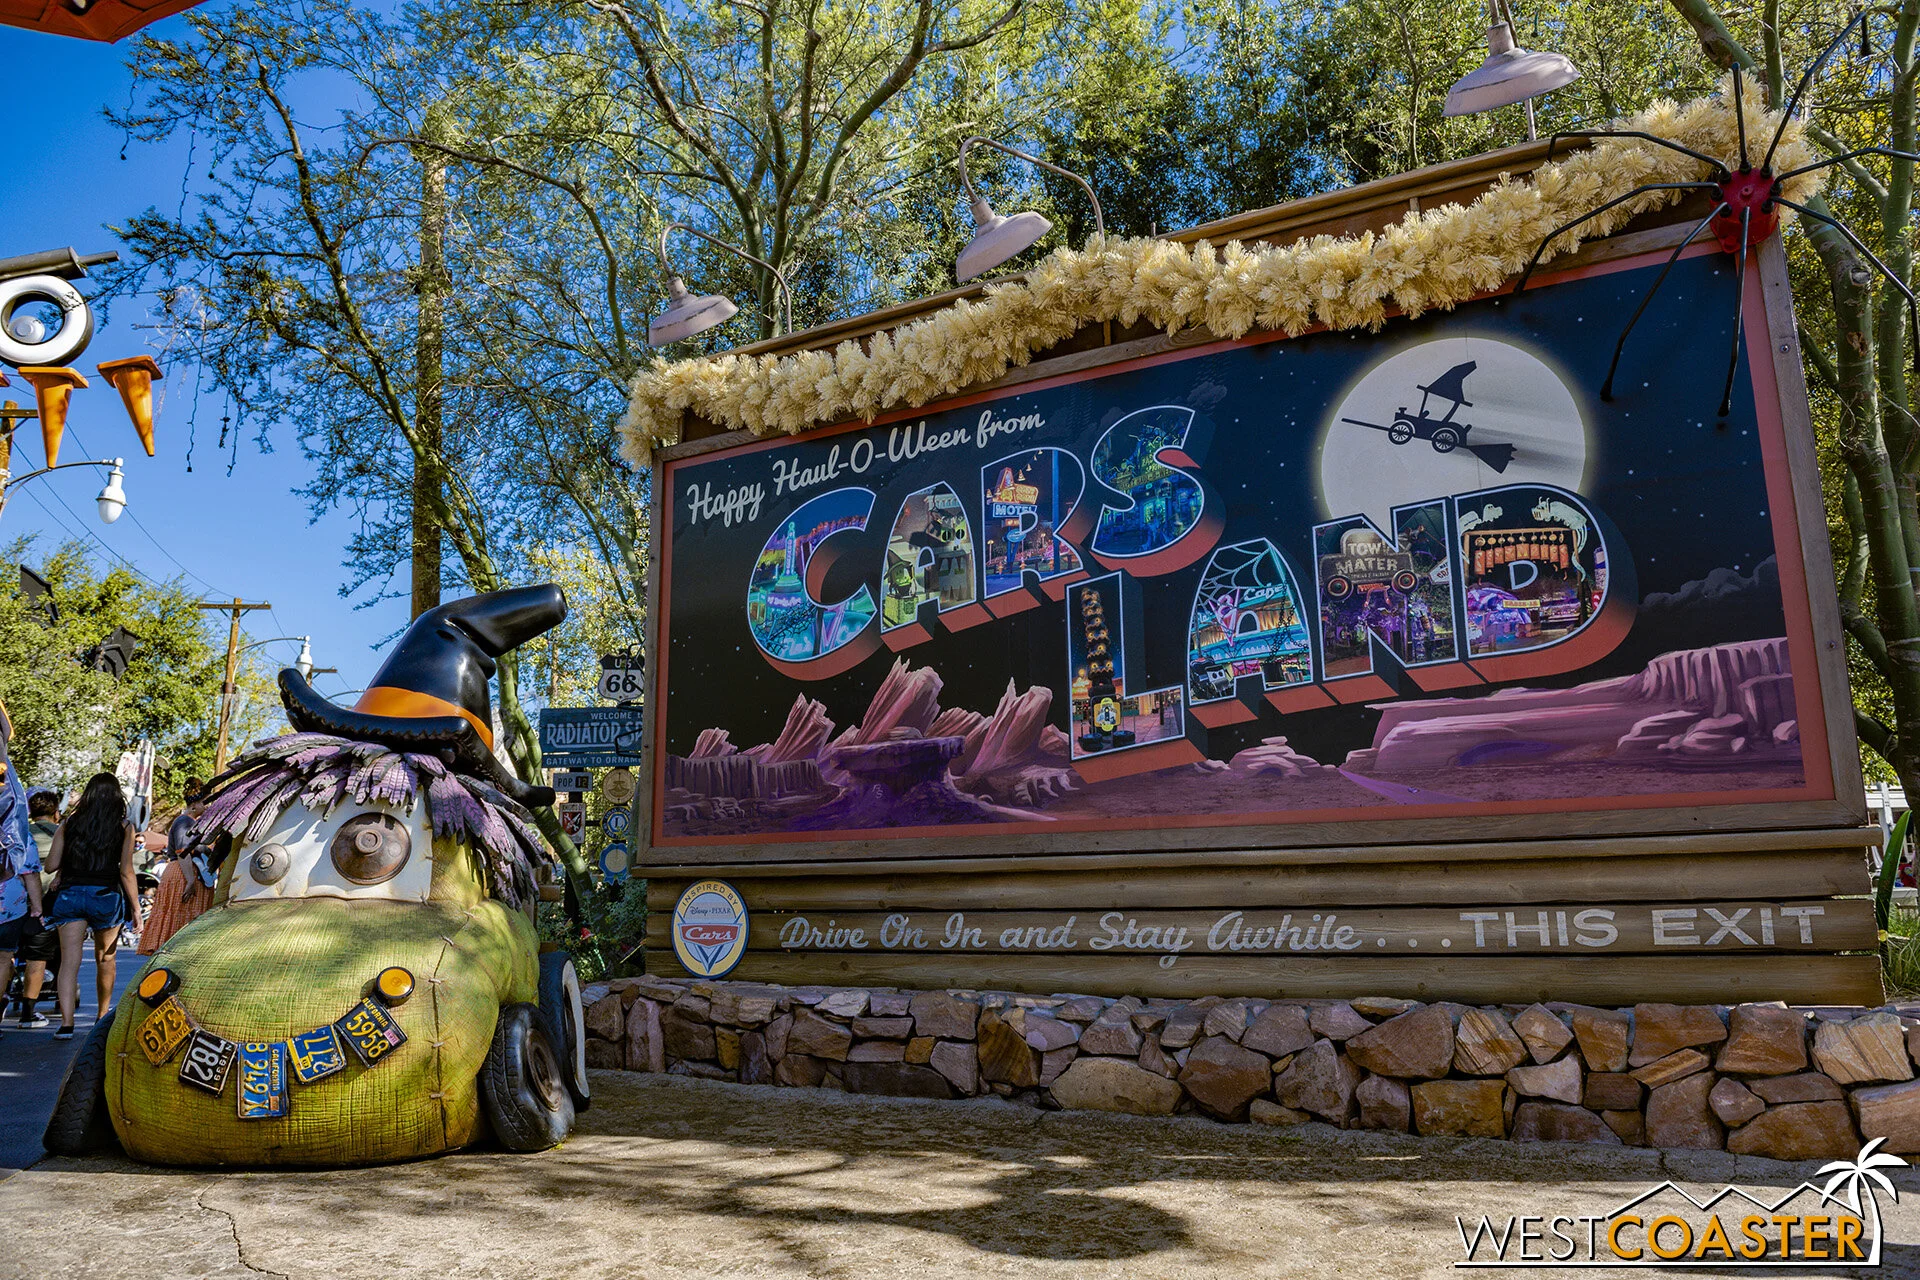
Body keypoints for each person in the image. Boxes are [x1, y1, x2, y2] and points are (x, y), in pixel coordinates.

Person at [42, 773, 142, 1041]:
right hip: (105, 896)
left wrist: (65, 866)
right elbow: (126, 872)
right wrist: (136, 909)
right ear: (116, 796)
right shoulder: (124, 827)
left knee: (69, 963)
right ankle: (101, 1017)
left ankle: (66, 1025)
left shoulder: (69, 823)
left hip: (71, 895)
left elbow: (49, 865)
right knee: (106, 959)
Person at [0, 733, 46, 1037]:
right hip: (9, 905)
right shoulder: (18, 830)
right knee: (4, 957)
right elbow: (29, 872)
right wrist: (38, 909)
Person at [139, 781, 216, 955]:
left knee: (185, 915)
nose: (208, 805)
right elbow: (183, 852)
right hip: (182, 873)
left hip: (189, 872)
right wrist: (190, 880)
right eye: (205, 801)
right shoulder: (184, 821)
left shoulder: (192, 823)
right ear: (194, 804)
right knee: (180, 915)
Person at [9, 790, 60, 1026]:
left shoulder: (19, 832)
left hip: (13, 902)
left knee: (6, 955)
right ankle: (29, 1012)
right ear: (55, 813)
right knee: (37, 958)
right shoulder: (61, 834)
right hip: (48, 903)